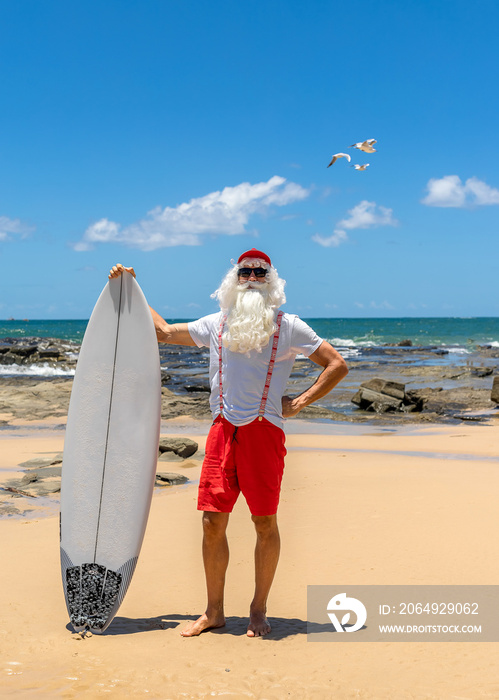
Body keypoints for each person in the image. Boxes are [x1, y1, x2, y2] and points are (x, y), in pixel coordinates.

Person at [109, 248, 348, 637]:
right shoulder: (215, 323)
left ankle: (258, 610)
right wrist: (131, 287)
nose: (252, 278)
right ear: (234, 279)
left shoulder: (289, 327)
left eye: (259, 272)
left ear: (271, 281)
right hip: (222, 431)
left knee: (264, 521)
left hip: (264, 432)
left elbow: (337, 363)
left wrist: (300, 402)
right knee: (211, 522)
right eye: (245, 272)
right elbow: (164, 332)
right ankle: (214, 612)